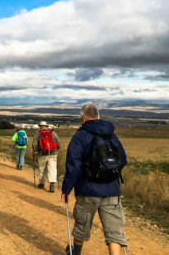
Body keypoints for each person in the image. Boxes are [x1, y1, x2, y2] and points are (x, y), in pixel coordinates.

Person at [61, 103, 127, 255]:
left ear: (83, 119)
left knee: (81, 227)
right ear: (98, 116)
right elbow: (122, 160)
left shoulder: (80, 135)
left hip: (87, 189)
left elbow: (73, 166)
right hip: (112, 190)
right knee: (114, 234)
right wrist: (109, 176)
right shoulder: (111, 134)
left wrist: (66, 189)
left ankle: (75, 253)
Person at [32, 121, 61, 192]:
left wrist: (35, 150)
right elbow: (58, 143)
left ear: (40, 126)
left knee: (42, 169)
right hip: (53, 154)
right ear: (46, 126)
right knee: (52, 169)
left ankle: (41, 184)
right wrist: (56, 149)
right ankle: (52, 186)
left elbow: (34, 144)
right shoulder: (52, 132)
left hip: (42, 154)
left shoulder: (38, 133)